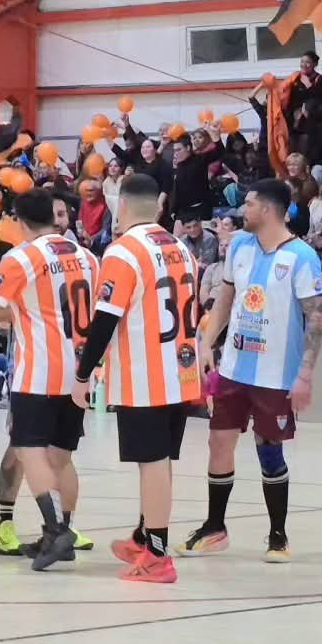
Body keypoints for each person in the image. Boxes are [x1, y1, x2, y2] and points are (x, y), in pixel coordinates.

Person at [178, 179, 322, 561]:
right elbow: (226, 296)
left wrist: (306, 373)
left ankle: (278, 534)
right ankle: (215, 526)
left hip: (276, 374)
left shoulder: (302, 257)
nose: (241, 211)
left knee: (269, 448)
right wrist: (206, 342)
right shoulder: (240, 246)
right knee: (219, 441)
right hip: (233, 367)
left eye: (248, 204)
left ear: (269, 210)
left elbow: (316, 319)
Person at [72, 173, 203, 583]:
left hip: (146, 374)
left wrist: (83, 373)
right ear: (159, 205)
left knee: (152, 463)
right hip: (180, 370)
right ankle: (145, 536)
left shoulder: (124, 251)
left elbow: (105, 318)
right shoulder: (181, 247)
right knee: (160, 461)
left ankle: (159, 555)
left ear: (121, 205)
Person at [0, 189, 97, 572]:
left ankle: (54, 528)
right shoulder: (87, 256)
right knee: (62, 458)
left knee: (29, 449)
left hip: (39, 370)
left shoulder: (23, 256)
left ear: (20, 223)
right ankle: (65, 531)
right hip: (79, 372)